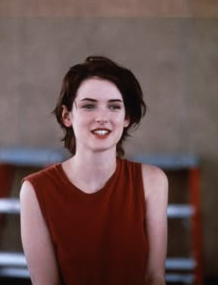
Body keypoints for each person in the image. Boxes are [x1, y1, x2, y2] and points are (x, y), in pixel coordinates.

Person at [20, 56, 168, 285]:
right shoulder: (35, 190)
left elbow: (154, 277)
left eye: (114, 106)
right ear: (67, 116)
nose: (102, 117)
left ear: (126, 117)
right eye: (89, 106)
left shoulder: (153, 181)